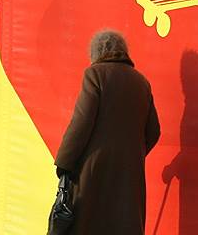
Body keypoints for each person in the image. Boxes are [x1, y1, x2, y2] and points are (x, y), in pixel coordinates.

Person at [55, 30, 161, 234]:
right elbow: (154, 131)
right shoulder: (141, 82)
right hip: (130, 174)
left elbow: (81, 122)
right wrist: (132, 154)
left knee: (88, 224)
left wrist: (64, 162)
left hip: (94, 171)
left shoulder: (95, 74)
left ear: (96, 52)